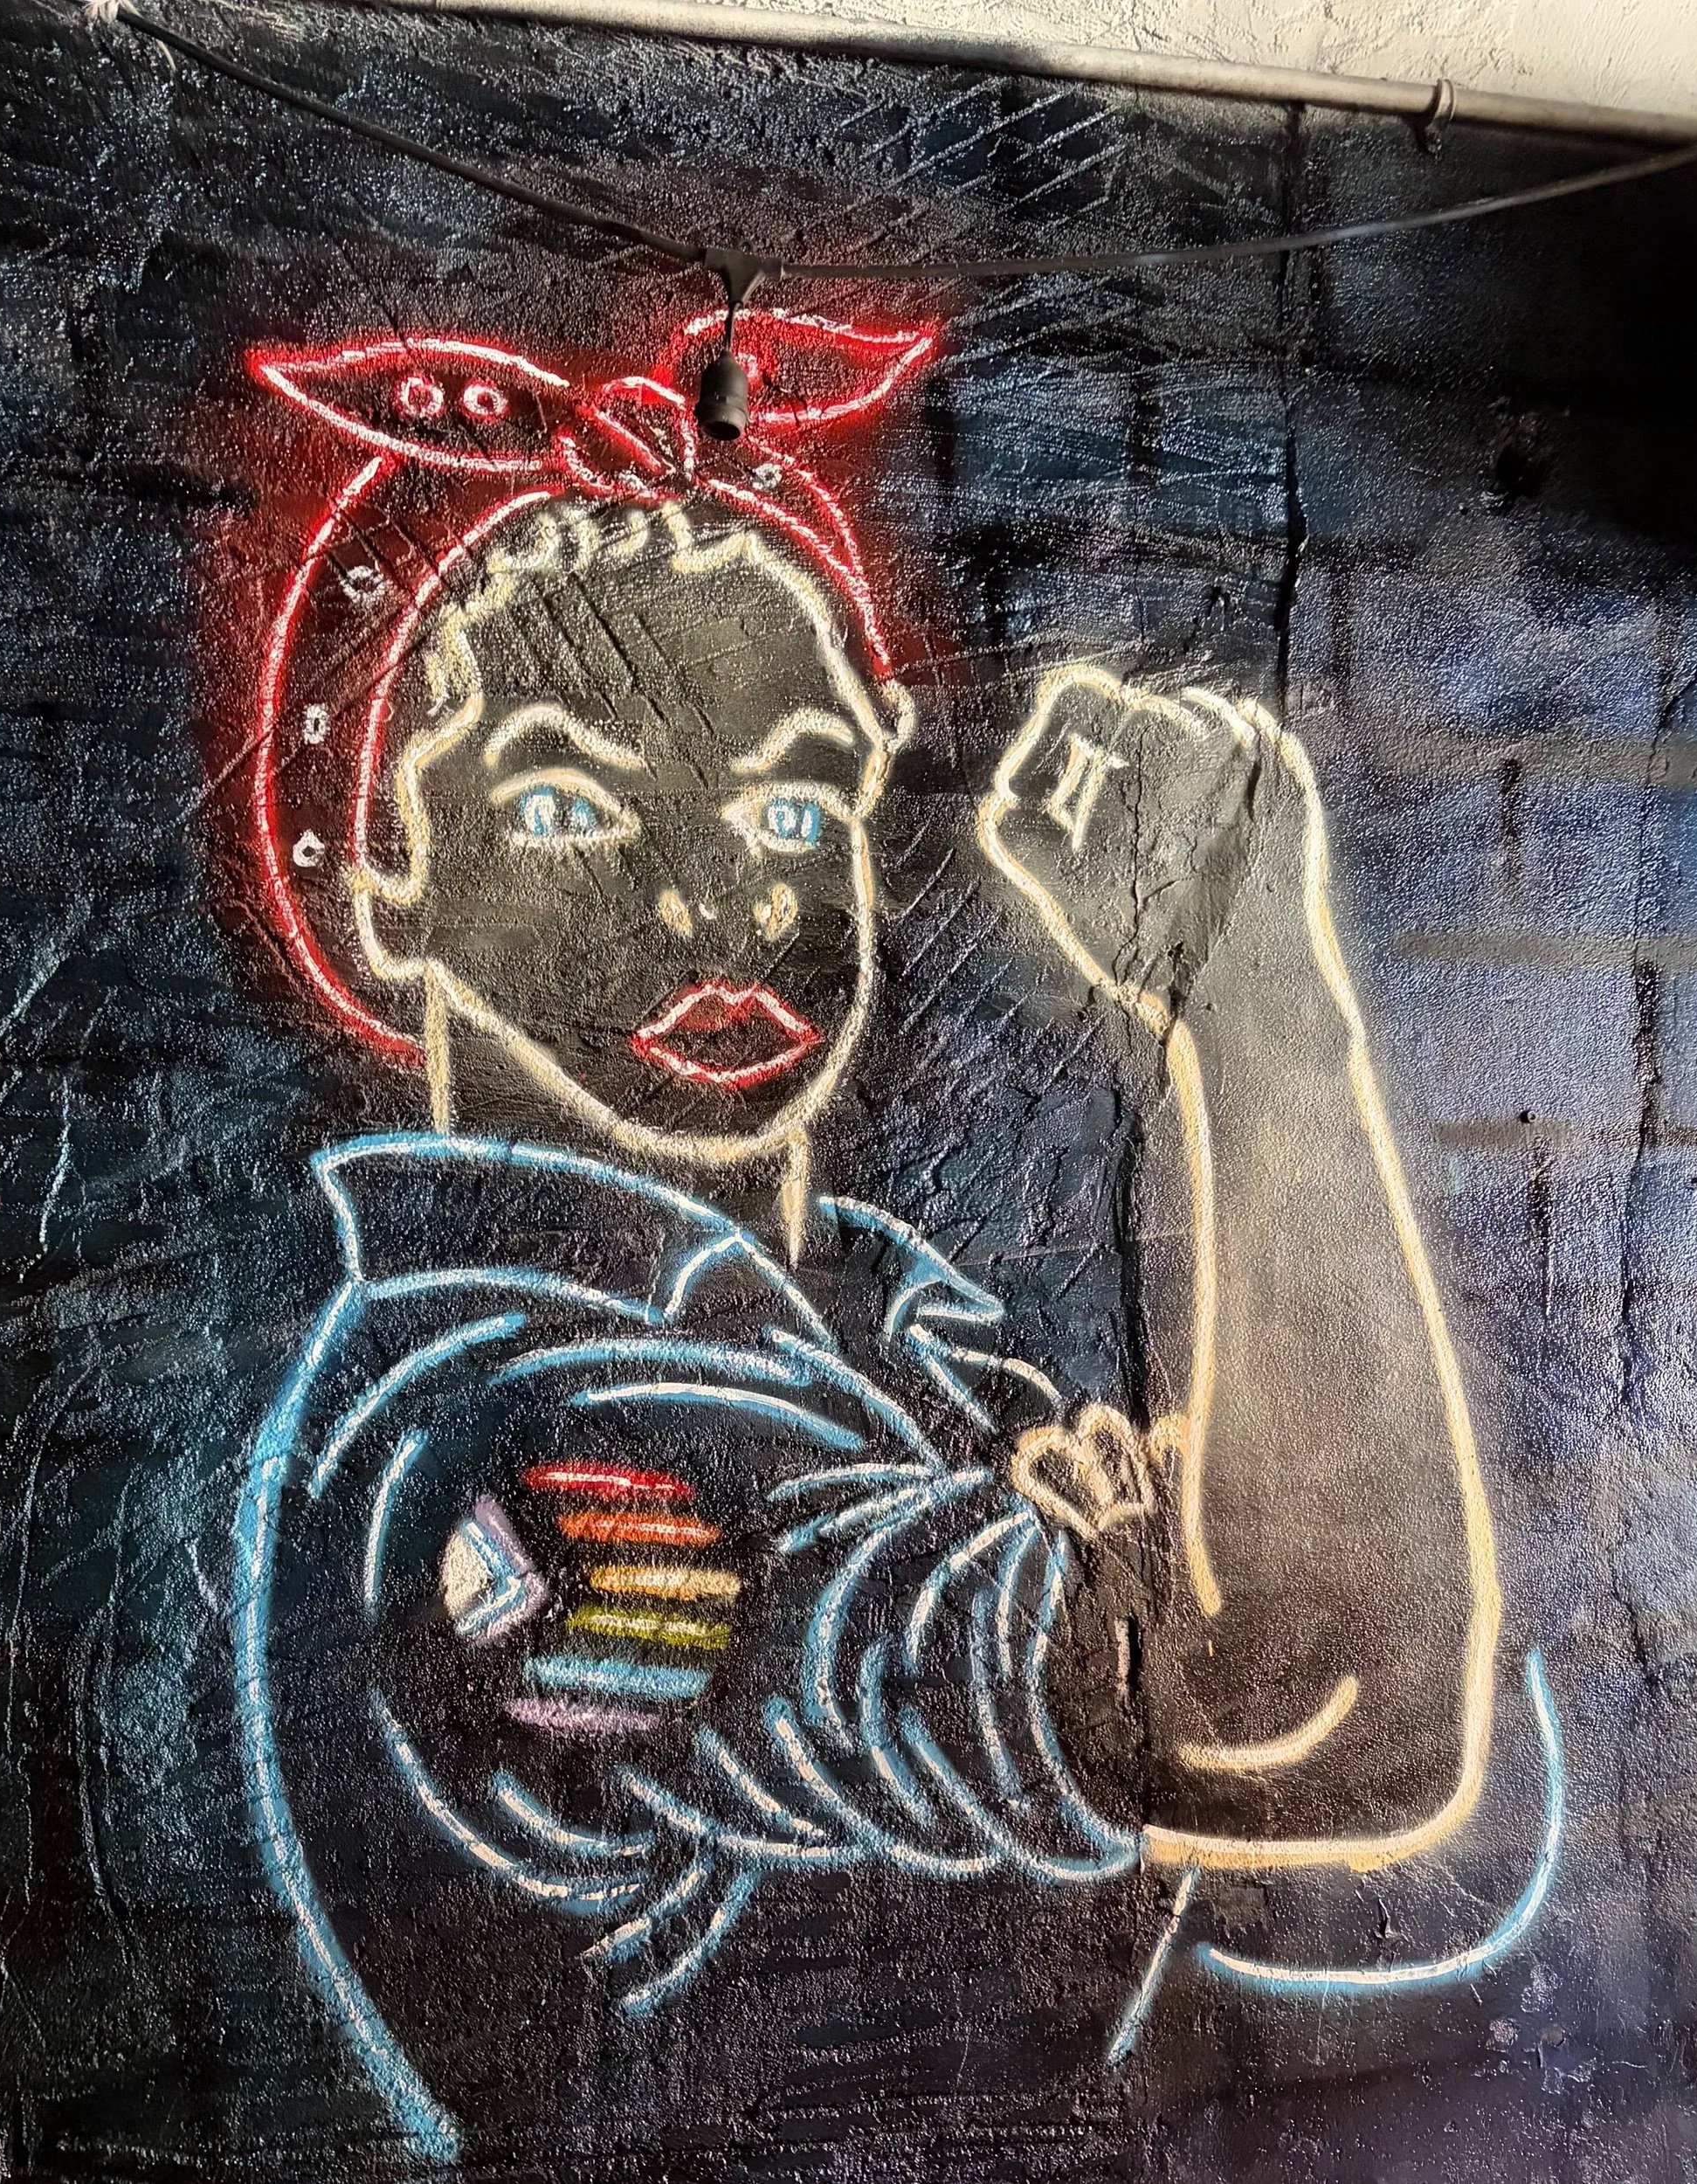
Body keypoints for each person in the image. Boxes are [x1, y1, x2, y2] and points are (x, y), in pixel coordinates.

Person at [233, 356, 1543, 2163]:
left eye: (791, 812)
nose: (720, 905)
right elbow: (1305, 1720)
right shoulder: (524, 1473)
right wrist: (1250, 996)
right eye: (567, 810)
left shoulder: (903, 1338)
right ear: (389, 876)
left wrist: (1204, 1625)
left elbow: (1432, 1837)